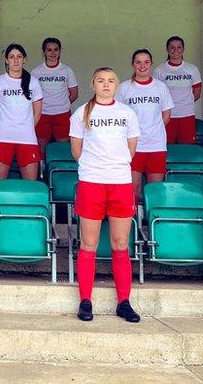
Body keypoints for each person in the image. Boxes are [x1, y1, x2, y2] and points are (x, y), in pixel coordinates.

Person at [70, 67, 141, 323]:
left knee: (120, 245)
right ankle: (85, 301)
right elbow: (76, 149)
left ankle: (124, 302)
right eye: (101, 80)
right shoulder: (81, 113)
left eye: (111, 80)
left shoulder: (126, 112)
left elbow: (131, 148)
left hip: (120, 183)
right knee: (89, 245)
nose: (106, 84)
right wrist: (96, 167)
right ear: (93, 84)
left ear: (117, 85)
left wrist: (114, 165)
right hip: (92, 182)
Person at [117, 49, 174, 203]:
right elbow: (118, 115)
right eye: (138, 62)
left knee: (155, 190)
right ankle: (133, 225)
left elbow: (166, 115)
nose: (142, 66)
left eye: (146, 62)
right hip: (133, 145)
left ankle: (152, 225)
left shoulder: (160, 87)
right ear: (133, 64)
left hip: (156, 145)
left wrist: (153, 129)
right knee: (133, 189)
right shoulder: (124, 88)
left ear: (151, 64)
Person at [0, 44, 43, 180]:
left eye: (19, 57)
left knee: (30, 187)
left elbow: (37, 113)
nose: (16, 60)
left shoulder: (34, 83)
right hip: (2, 138)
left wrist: (26, 127)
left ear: (24, 59)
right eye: (11, 57)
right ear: (6, 60)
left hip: (27, 139)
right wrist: (4, 127)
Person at [32, 37, 79, 151]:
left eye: (55, 49)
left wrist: (61, 103)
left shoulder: (67, 70)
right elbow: (31, 95)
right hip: (42, 114)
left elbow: (74, 93)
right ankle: (42, 169)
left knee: (62, 149)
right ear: (44, 52)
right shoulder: (36, 71)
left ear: (60, 51)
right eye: (49, 50)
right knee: (41, 149)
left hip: (62, 114)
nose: (52, 53)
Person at [153, 36, 202, 144]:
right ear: (167, 49)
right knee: (167, 147)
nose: (176, 50)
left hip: (187, 114)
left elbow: (197, 93)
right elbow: (157, 95)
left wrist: (184, 103)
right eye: (172, 47)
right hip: (167, 116)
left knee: (187, 148)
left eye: (179, 47)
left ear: (183, 49)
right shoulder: (159, 70)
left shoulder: (192, 69)